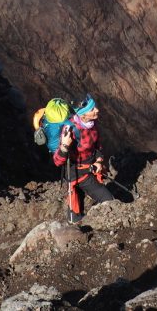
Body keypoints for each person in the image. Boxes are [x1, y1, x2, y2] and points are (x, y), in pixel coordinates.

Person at [53, 94, 114, 222]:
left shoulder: (92, 124)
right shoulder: (70, 130)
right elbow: (58, 161)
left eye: (95, 106)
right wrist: (64, 145)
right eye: (92, 109)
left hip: (89, 168)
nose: (97, 110)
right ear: (83, 115)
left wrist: (98, 160)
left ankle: (78, 221)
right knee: (108, 200)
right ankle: (84, 224)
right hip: (78, 174)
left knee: (78, 206)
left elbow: (97, 146)